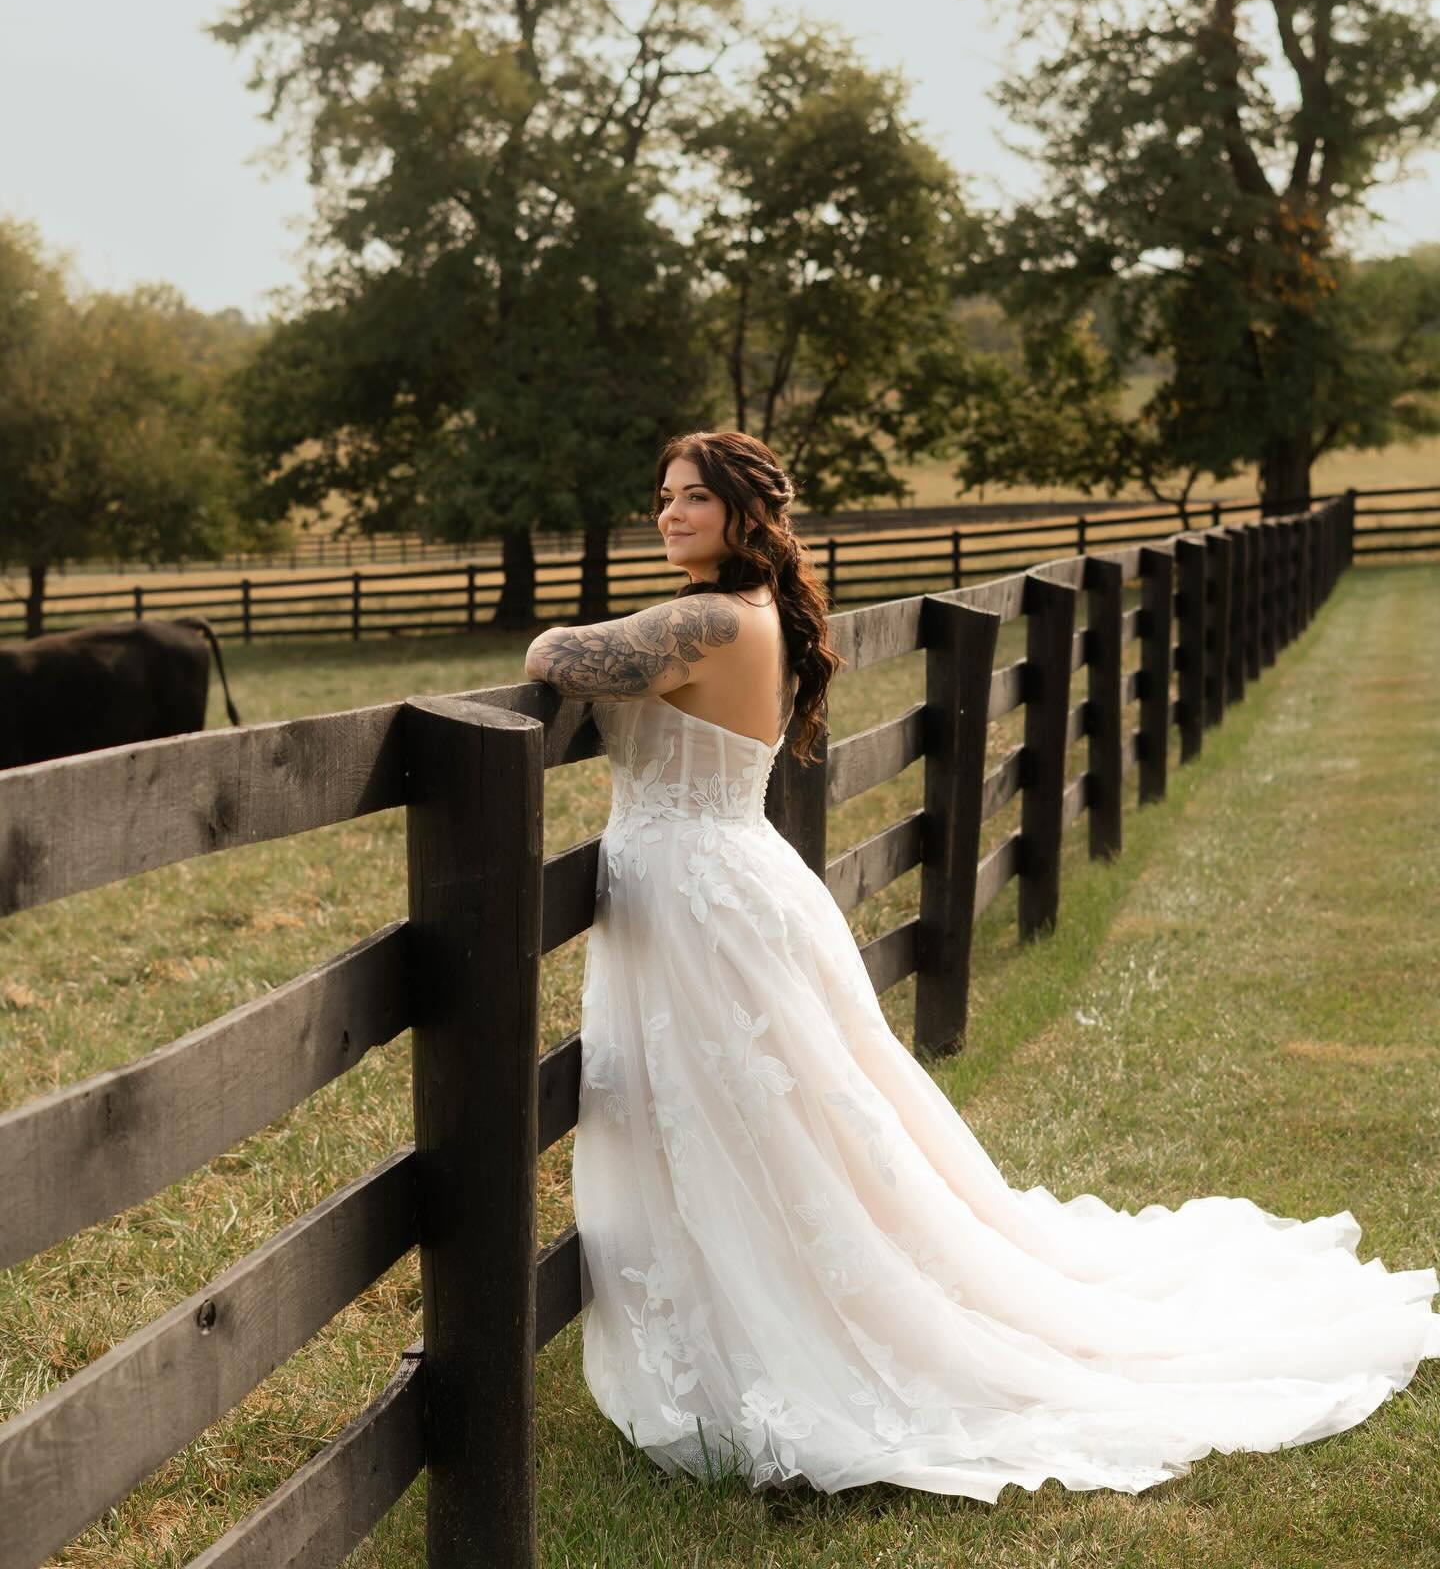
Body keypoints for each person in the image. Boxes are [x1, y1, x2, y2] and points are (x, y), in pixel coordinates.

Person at [523, 429, 1440, 1501]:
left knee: (748, 1117)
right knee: (756, 1117)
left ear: (745, 514)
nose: (668, 515)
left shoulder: (711, 617)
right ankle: (749, 1308)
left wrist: (547, 632)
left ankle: (790, 1328)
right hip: (717, 888)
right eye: (663, 497)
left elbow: (558, 659)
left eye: (691, 500)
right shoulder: (757, 612)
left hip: (701, 902)